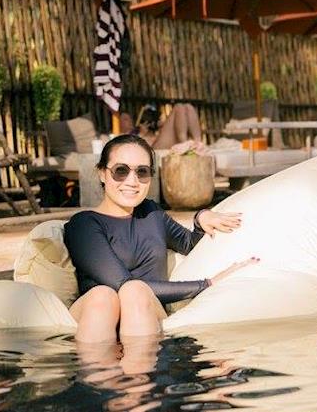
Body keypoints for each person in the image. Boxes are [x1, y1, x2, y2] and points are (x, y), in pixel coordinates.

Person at [64, 134, 255, 342]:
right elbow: (121, 284)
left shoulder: (152, 213)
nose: (132, 181)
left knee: (135, 292)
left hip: (147, 312)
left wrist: (201, 218)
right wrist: (206, 284)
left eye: (142, 172)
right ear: (102, 173)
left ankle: (140, 363)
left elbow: (189, 245)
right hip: (96, 314)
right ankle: (98, 363)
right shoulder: (83, 224)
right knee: (110, 293)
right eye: (121, 170)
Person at [120, 102, 204, 150]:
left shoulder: (137, 128)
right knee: (178, 107)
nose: (129, 120)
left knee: (188, 107)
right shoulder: (122, 136)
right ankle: (184, 143)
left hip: (159, 140)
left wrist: (161, 127)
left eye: (129, 118)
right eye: (124, 119)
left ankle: (198, 142)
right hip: (154, 147)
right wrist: (142, 135)